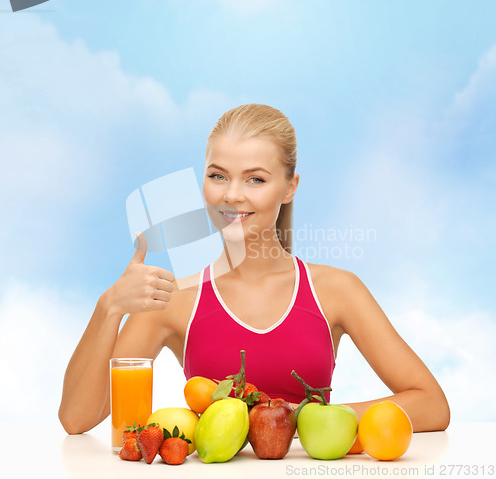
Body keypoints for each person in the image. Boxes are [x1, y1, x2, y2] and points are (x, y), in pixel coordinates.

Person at [58, 104, 450, 435]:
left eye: (256, 179)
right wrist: (108, 306)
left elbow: (431, 405)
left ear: (290, 187)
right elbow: (77, 419)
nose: (231, 194)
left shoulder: (337, 290)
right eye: (218, 175)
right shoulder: (175, 300)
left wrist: (301, 421)